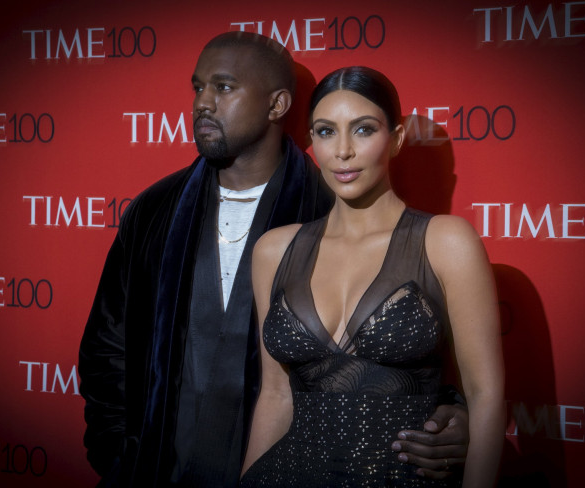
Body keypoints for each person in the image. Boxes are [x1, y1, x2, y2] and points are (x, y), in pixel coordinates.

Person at [79, 32, 470, 488]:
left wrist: (452, 414)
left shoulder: (336, 206)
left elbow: (408, 341)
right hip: (157, 467)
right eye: (197, 87)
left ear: (278, 104)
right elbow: (107, 344)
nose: (203, 102)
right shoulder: (154, 210)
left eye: (223, 87)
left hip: (290, 470)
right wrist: (119, 454)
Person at [240, 66, 504, 487]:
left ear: (396, 139)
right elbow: (274, 395)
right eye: (326, 132)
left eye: (363, 129)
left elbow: (485, 397)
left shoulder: (445, 242)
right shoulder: (274, 251)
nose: (343, 150)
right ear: (311, 143)